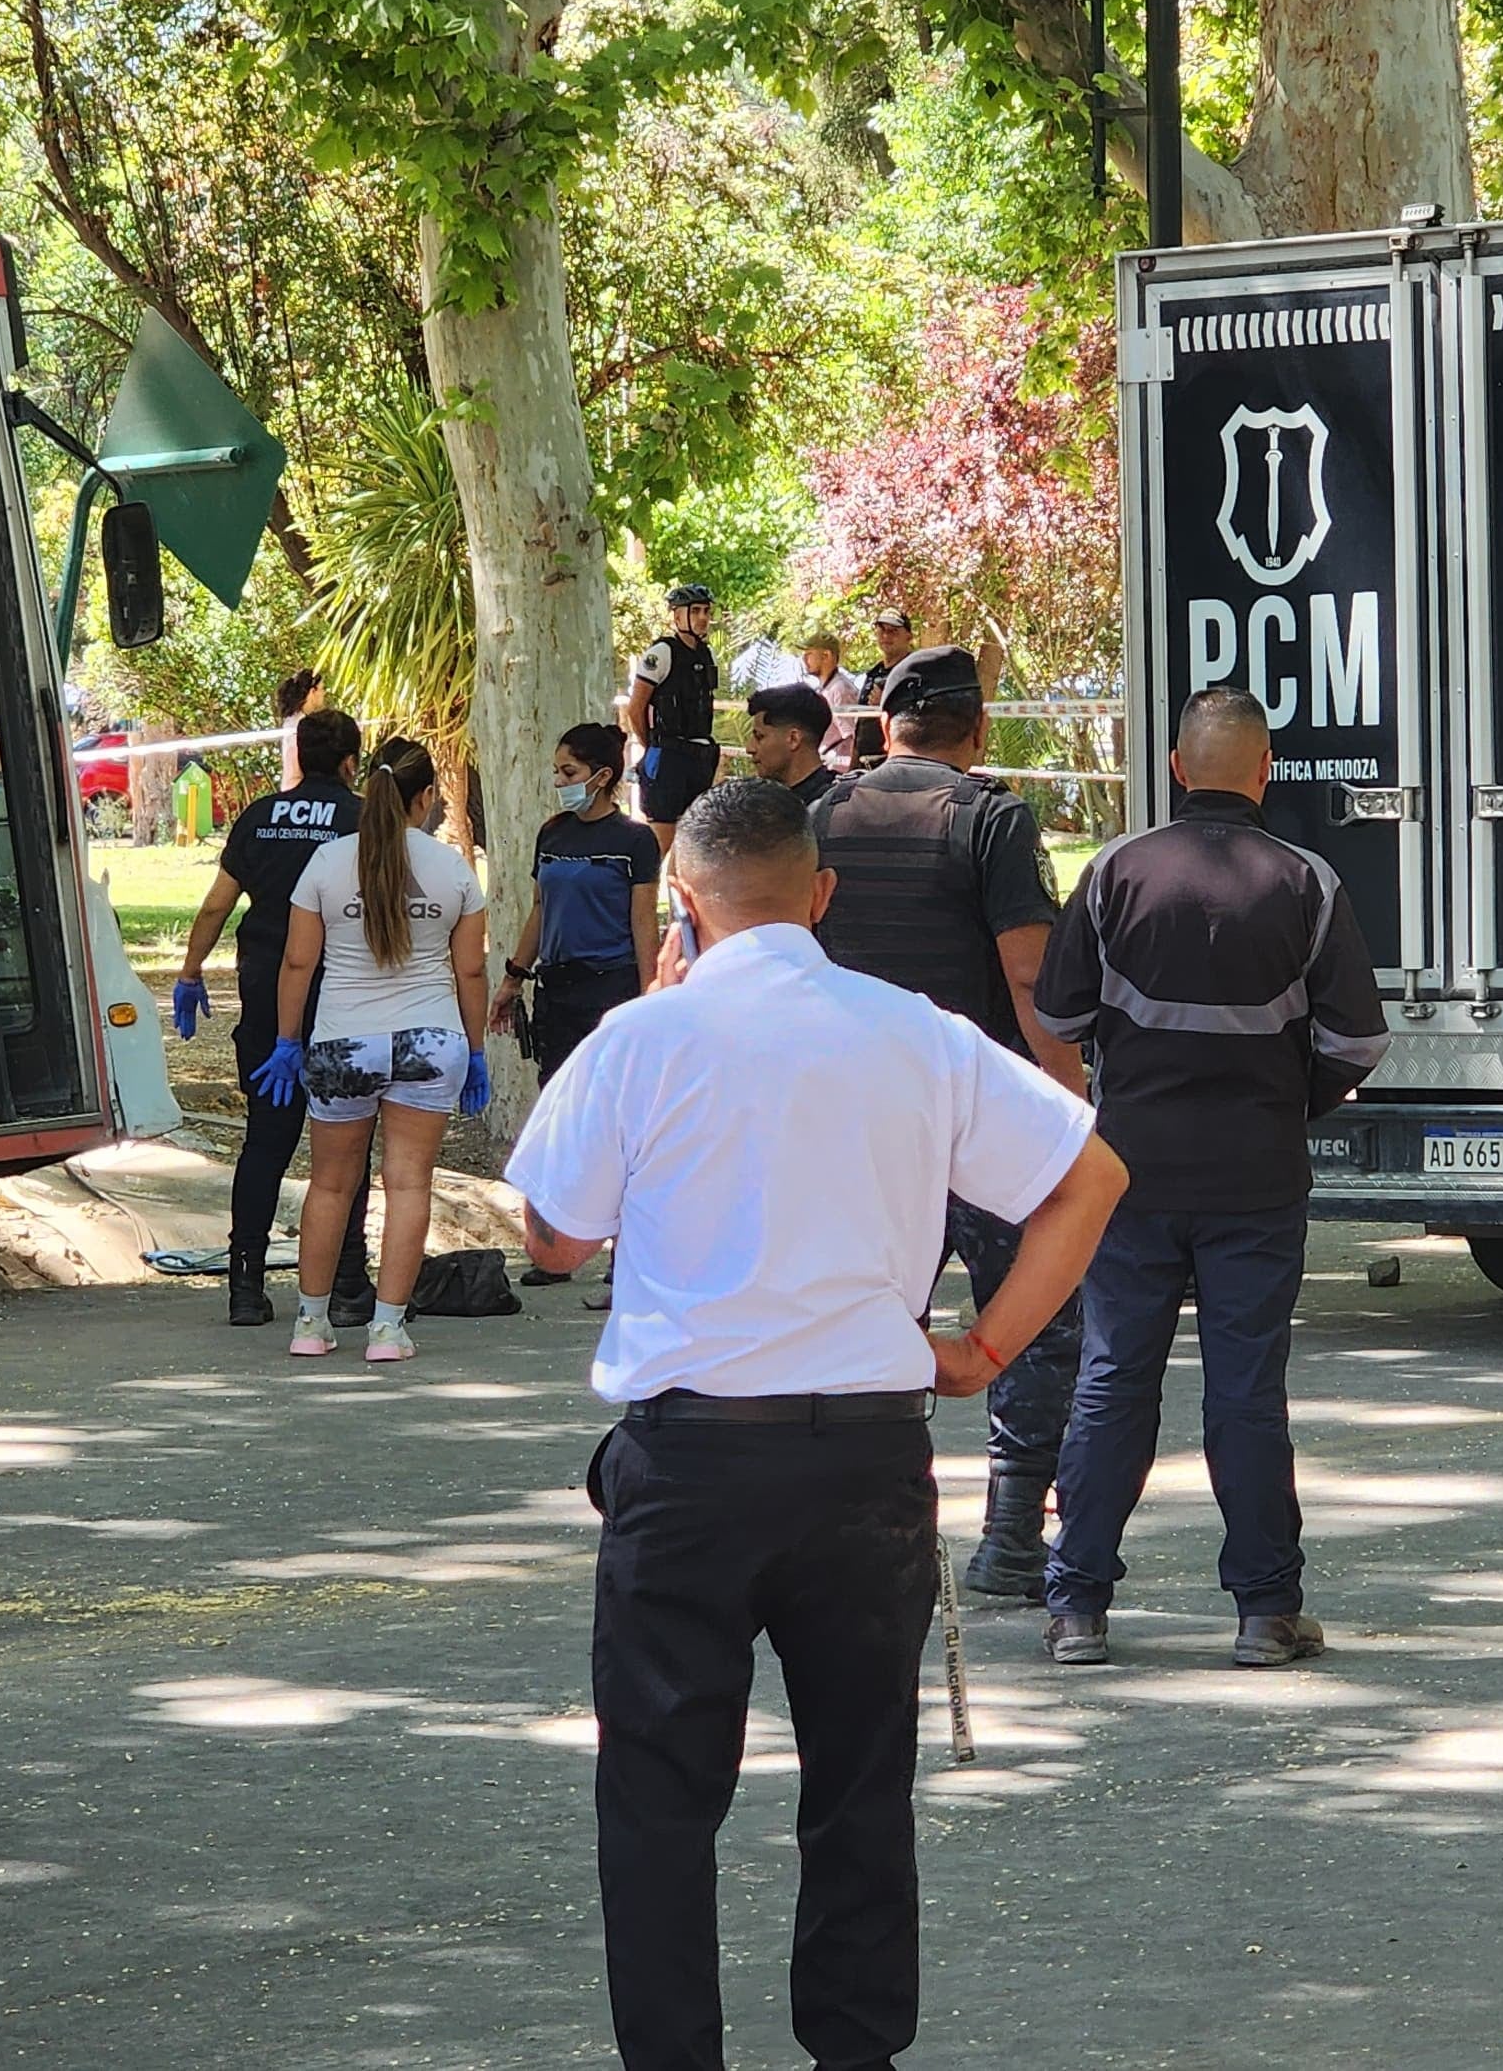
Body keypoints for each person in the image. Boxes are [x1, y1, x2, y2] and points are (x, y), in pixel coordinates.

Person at [503, 779, 1125, 2071]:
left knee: (659, 1799)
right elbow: (1091, 1175)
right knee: (858, 1785)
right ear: (822, 893)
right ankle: (857, 2052)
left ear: (682, 901)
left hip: (689, 1459)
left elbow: (554, 1244)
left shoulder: (639, 1041)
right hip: (866, 1449)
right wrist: (986, 1346)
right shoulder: (914, 1031)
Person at [1030, 689, 1389, 1668]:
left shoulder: (1111, 872)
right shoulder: (1306, 882)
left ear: (1178, 769)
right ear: (1263, 770)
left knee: (1110, 1378)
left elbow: (1058, 1017)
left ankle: (1076, 1607)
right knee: (1244, 1391)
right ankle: (1265, 1611)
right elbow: (1357, 1038)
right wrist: (1284, 1099)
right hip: (1255, 1178)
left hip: (1127, 1176)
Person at [807, 643, 1090, 1604]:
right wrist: (1070, 1102)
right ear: (978, 729)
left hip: (854, 1127)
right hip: (977, 1122)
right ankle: (1011, 1537)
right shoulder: (993, 818)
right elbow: (1026, 975)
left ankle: (867, 1531)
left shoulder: (823, 816)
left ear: (884, 725)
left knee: (867, 1318)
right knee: (1036, 1325)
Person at [255, 737, 491, 1362]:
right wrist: (476, 1050)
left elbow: (298, 961)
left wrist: (285, 1042)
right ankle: (387, 1329)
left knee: (331, 1184)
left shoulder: (328, 865)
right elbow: (470, 973)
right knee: (409, 1183)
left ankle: (310, 1322)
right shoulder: (452, 869)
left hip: (342, 1043)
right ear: (426, 797)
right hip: (431, 1039)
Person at [171, 710, 374, 1329]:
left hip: (265, 999)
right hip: (343, 998)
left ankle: (245, 1285)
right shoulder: (361, 819)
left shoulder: (260, 816)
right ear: (348, 763)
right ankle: (345, 1283)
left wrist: (189, 971)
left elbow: (216, 906)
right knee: (347, 1147)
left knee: (265, 1140)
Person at [496, 724, 663, 1088]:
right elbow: (540, 909)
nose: (559, 781)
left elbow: (644, 922)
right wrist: (513, 978)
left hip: (610, 988)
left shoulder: (634, 839)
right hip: (555, 992)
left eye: (569, 772)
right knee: (557, 1097)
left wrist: (652, 998)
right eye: (556, 771)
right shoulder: (552, 833)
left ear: (602, 776)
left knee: (611, 1097)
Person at [621, 585, 721, 852]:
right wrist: (652, 744)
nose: (702, 618)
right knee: (660, 841)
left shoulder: (705, 653)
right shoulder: (663, 653)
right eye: (695, 611)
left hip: (699, 755)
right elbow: (636, 706)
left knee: (693, 842)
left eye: (706, 611)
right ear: (677, 616)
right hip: (669, 756)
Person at [738, 679, 838, 808]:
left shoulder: (833, 807)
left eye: (759, 737)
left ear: (793, 739)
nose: (749, 748)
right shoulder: (762, 801)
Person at [851, 606, 917, 765]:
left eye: (893, 631)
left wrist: (888, 703)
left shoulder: (915, 673)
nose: (886, 636)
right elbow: (862, 725)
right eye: (881, 630)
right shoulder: (873, 674)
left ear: (908, 636)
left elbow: (919, 720)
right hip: (864, 764)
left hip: (896, 763)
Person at [796, 633, 864, 771]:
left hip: (838, 768)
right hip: (827, 763)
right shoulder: (826, 688)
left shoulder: (840, 689)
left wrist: (848, 773)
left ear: (826, 656)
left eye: (809, 654)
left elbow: (851, 736)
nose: (804, 659)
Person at [274, 668, 327, 791]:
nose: (324, 693)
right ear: (312, 691)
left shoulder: (292, 721)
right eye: (322, 689)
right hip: (299, 787)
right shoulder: (301, 724)